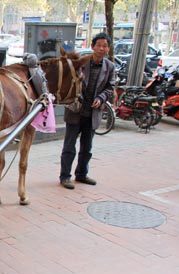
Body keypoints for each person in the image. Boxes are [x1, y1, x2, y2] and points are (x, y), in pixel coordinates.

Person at [59, 33, 115, 189]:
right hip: (75, 111)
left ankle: (82, 174)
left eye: (105, 46)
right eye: (99, 45)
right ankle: (65, 176)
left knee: (87, 148)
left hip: (92, 114)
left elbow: (111, 88)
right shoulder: (81, 62)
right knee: (69, 147)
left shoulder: (109, 67)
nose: (101, 48)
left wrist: (102, 98)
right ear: (93, 47)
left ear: (108, 49)